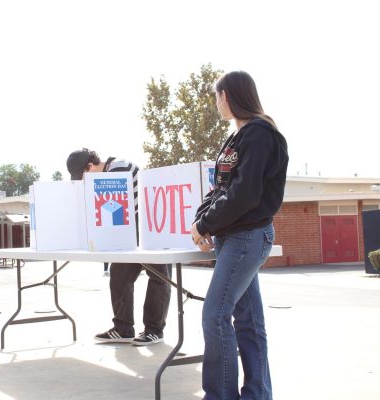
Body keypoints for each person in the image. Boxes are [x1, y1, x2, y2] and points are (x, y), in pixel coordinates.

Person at [191, 71, 288, 400]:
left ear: (228, 96)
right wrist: (200, 220)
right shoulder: (236, 138)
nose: (217, 103)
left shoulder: (260, 134)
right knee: (248, 322)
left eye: (217, 96)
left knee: (215, 315)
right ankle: (258, 395)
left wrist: (206, 225)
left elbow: (245, 193)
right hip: (233, 238)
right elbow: (219, 189)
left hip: (248, 236)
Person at [66, 148, 171, 346]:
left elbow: (114, 205)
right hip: (127, 228)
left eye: (83, 177)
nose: (84, 182)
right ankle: (123, 329)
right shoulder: (107, 172)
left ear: (89, 167)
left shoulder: (118, 167)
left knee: (158, 277)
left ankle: (154, 330)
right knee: (119, 276)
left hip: (146, 225)